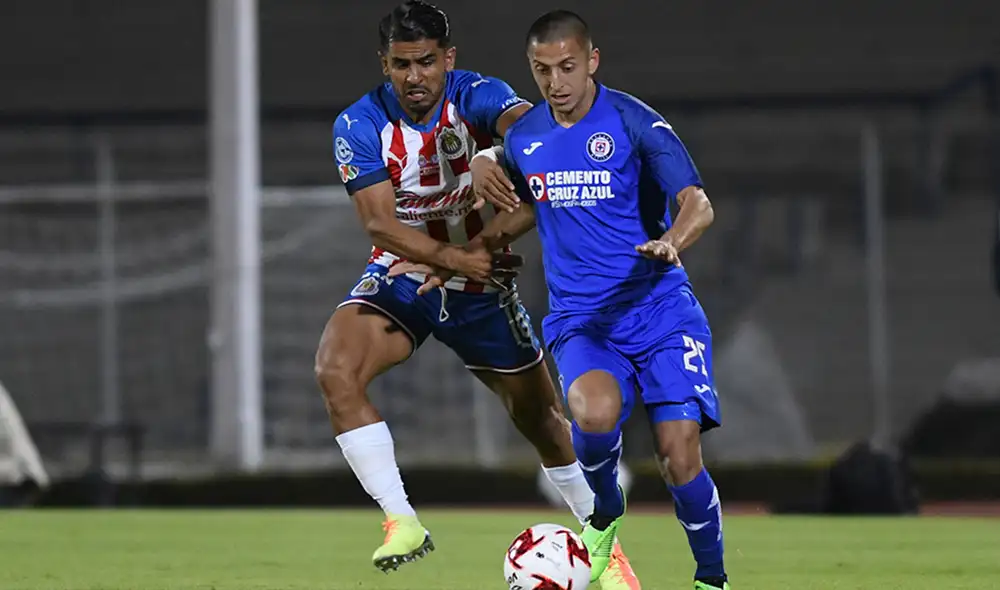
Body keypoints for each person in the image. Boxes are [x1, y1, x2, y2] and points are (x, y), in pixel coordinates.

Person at [398, 9, 731, 590]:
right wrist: (451, 256)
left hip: (660, 312)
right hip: (583, 320)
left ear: (591, 61)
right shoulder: (526, 138)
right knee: (593, 412)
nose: (556, 82)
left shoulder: (635, 124)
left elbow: (697, 202)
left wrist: (672, 242)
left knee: (680, 458)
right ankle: (605, 513)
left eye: (567, 67)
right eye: (542, 70)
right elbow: (525, 206)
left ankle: (710, 578)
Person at [322, 2, 641, 588]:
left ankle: (608, 551)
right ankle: (401, 521)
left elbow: (546, 145)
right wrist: (451, 257)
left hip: (481, 286)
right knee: (335, 370)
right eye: (400, 65)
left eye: (425, 62)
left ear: (448, 59)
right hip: (404, 274)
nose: (414, 77)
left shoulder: (478, 96)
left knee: (543, 421)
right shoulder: (359, 124)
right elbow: (379, 226)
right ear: (384, 65)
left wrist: (497, 162)